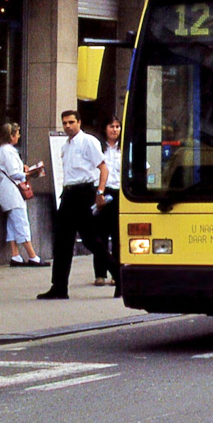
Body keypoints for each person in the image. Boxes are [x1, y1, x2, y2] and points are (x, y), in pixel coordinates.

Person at [38, 110, 116, 300]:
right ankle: (59, 286)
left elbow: (103, 168)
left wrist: (100, 192)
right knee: (62, 241)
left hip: (84, 193)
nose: (67, 126)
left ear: (79, 122)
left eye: (71, 122)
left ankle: (119, 274)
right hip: (69, 193)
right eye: (64, 123)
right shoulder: (65, 146)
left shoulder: (88, 141)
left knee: (91, 240)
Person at [0, 123, 50, 268]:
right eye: (17, 133)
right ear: (11, 136)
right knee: (21, 222)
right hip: (12, 193)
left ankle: (15, 255)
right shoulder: (7, 151)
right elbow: (14, 173)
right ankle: (32, 256)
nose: (19, 136)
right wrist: (30, 172)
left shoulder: (4, 150)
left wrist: (24, 169)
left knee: (12, 224)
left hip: (8, 191)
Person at [92, 116, 122, 297]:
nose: (115, 130)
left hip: (119, 193)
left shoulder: (125, 147)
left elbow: (143, 167)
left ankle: (115, 273)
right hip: (102, 192)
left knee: (117, 234)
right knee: (100, 234)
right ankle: (100, 273)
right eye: (112, 126)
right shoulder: (98, 148)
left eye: (118, 126)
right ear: (105, 128)